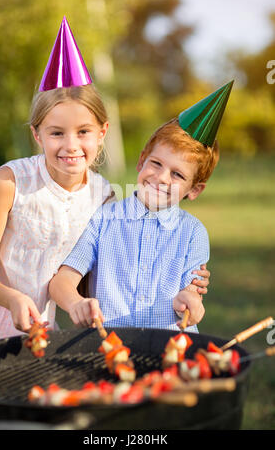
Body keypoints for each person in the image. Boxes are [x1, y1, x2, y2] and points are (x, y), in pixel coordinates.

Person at [0, 17, 209, 344]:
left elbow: (91, 272)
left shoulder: (102, 195)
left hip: (38, 326)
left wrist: (190, 285)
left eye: (83, 132)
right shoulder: (10, 182)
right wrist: (13, 297)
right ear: (37, 134)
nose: (71, 145)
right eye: (57, 133)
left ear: (102, 133)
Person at [49, 81, 233, 332]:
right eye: (156, 163)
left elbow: (193, 292)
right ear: (141, 161)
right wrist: (75, 303)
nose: (162, 178)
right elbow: (63, 281)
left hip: (168, 347)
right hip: (109, 345)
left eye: (177, 175)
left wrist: (190, 302)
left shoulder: (193, 233)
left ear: (195, 190)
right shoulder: (104, 219)